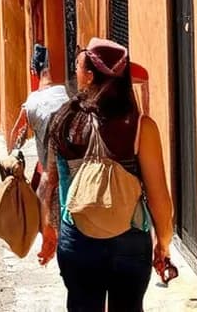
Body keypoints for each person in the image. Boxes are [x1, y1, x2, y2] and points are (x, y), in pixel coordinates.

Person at [39, 38, 174, 311]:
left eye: (78, 66)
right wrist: (164, 243)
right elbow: (159, 197)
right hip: (131, 239)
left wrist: (48, 229)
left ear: (90, 76)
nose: (75, 72)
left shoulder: (64, 120)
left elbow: (48, 182)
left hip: (78, 238)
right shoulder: (141, 127)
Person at [6, 44, 69, 190]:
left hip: (50, 174)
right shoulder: (64, 94)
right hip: (70, 169)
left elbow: (15, 133)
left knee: (43, 204)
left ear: (33, 72)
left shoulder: (31, 103)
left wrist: (10, 160)